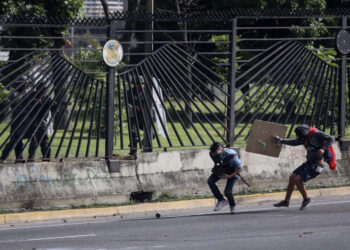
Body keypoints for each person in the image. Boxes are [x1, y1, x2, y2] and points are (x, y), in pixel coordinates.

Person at [273, 124, 335, 210]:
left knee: (297, 179)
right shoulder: (303, 138)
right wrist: (281, 141)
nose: (302, 139)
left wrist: (323, 149)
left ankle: (307, 199)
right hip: (309, 163)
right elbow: (294, 142)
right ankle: (286, 201)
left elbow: (331, 138)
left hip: (317, 165)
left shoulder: (316, 134)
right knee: (292, 177)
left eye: (303, 137)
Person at [207, 142, 243, 214]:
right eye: (213, 153)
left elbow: (240, 168)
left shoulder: (232, 156)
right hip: (224, 169)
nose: (213, 154)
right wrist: (216, 169)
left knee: (227, 191)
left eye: (216, 153)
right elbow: (217, 162)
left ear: (222, 150)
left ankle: (232, 206)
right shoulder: (212, 153)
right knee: (210, 181)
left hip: (234, 171)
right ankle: (221, 200)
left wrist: (229, 176)